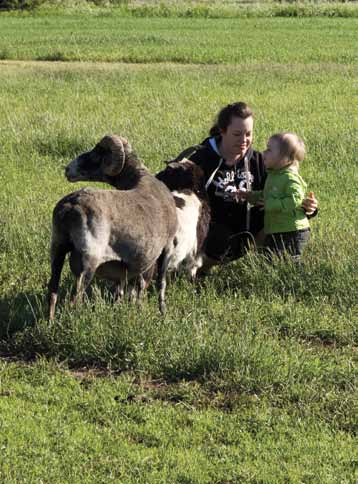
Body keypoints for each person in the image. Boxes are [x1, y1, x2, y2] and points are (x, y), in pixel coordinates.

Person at [174, 102, 317, 266]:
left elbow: (285, 193)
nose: (244, 140)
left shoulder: (259, 161)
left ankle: (267, 260)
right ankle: (196, 266)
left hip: (245, 233)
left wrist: (308, 208)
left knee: (270, 210)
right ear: (222, 131)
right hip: (207, 235)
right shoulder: (200, 160)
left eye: (248, 134)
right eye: (237, 134)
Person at [239, 132, 311, 261]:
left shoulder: (290, 178)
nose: (264, 152)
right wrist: (250, 196)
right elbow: (266, 195)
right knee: (270, 259)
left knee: (288, 261)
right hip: (277, 229)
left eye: (269, 150)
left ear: (284, 159)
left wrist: (270, 204)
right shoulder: (274, 175)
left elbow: (295, 200)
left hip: (292, 230)